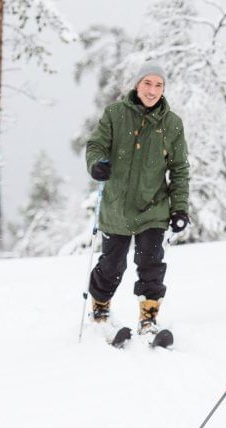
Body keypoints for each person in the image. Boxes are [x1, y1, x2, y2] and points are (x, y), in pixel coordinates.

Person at [84, 62, 190, 332]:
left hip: (152, 209)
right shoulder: (115, 114)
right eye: (147, 83)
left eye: (158, 85)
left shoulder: (172, 124)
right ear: (136, 85)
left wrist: (179, 208)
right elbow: (96, 145)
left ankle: (148, 318)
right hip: (116, 207)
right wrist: (97, 163)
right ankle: (100, 310)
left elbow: (179, 169)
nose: (152, 90)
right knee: (111, 265)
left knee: (151, 262)